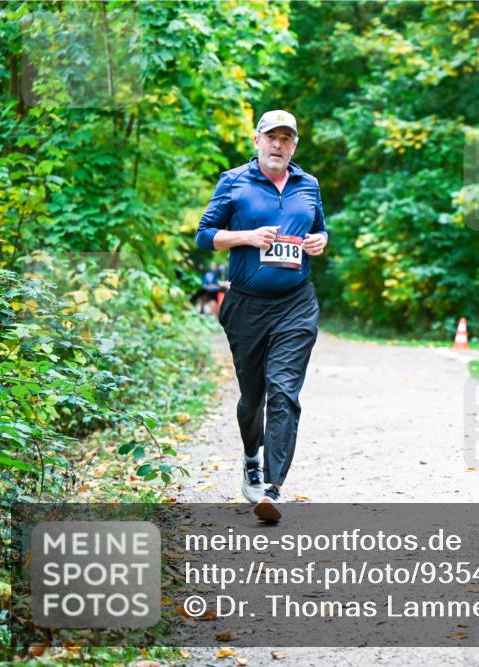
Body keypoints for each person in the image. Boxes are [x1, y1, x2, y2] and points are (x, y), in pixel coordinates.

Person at [196, 110, 328, 523]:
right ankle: (251, 456)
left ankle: (272, 487)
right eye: (271, 137)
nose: (278, 145)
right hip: (247, 306)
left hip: (296, 302)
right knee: (253, 397)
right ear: (257, 141)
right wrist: (247, 237)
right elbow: (204, 235)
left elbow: (321, 229)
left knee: (284, 391)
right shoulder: (234, 181)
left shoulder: (309, 185)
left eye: (286, 139)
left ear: (294, 146)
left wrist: (319, 241)